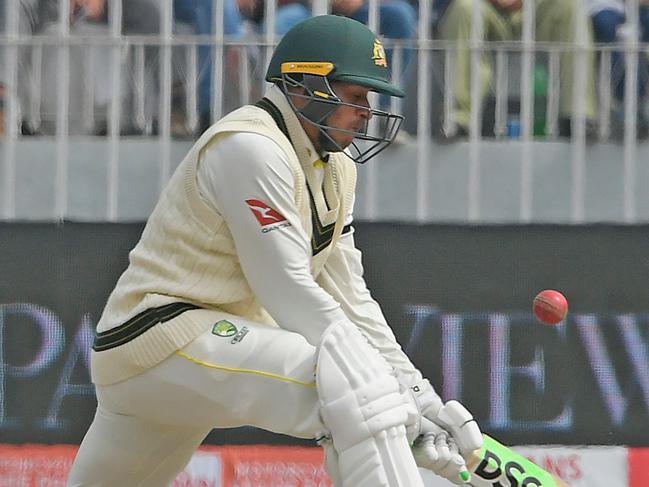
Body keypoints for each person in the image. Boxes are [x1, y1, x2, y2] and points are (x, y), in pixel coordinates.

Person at [67, 14, 483, 487]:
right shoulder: (251, 147)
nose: (366, 111)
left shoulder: (335, 166)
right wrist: (394, 401)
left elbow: (351, 296)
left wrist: (419, 394)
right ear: (305, 85)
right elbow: (286, 289)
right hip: (162, 335)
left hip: (191, 355)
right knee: (357, 390)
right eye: (355, 96)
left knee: (368, 387)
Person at [436, 0, 598, 138]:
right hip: (487, 8)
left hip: (536, 8)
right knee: (463, 10)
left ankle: (578, 114)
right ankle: (460, 118)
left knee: (570, 8)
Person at [586, 0, 649, 138]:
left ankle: (638, 105)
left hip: (635, 8)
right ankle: (628, 105)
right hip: (602, 6)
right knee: (610, 30)